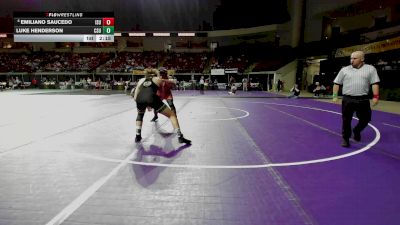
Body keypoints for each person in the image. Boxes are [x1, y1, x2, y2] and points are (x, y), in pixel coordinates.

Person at [332, 50, 380, 147]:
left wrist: (376, 97)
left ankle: (357, 130)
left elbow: (374, 83)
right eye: (351, 58)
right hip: (348, 99)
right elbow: (336, 83)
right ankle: (346, 139)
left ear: (362, 59)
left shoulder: (371, 69)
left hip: (363, 99)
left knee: (366, 119)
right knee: (346, 120)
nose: (351, 60)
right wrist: (334, 96)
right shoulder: (344, 70)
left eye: (354, 58)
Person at [133, 68, 191, 144]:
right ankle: (180, 137)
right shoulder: (158, 79)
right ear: (156, 74)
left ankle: (138, 136)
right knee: (171, 115)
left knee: (140, 115)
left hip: (139, 99)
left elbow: (135, 96)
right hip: (152, 98)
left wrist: (146, 104)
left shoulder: (141, 80)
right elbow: (171, 85)